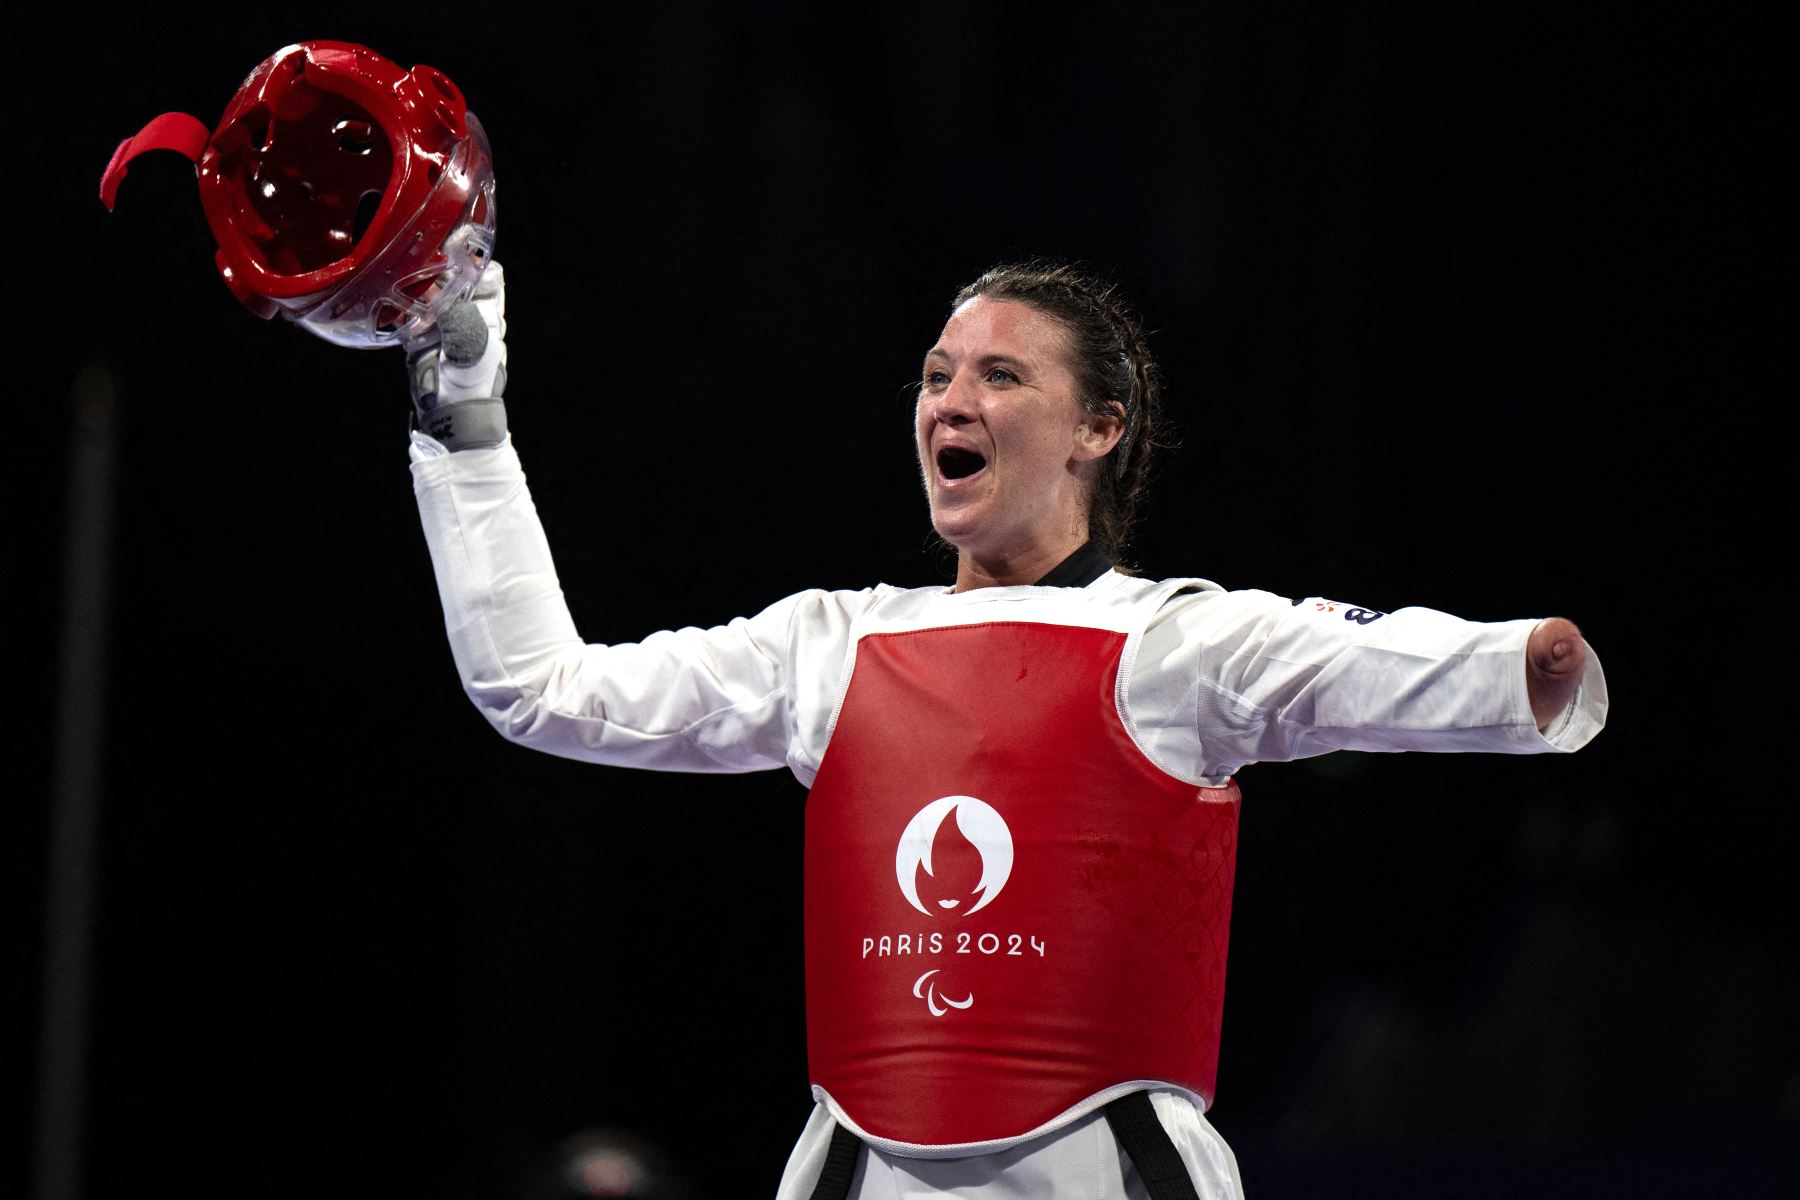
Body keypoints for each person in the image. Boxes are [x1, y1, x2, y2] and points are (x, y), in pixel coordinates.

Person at [404, 259, 1606, 1199]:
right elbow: (542, 690)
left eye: (999, 376)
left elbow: (1351, 656)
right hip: (857, 1174)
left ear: (1099, 428)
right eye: (936, 374)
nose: (951, 400)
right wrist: (463, 423)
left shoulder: (1177, 642)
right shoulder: (830, 644)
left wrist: (1514, 663)